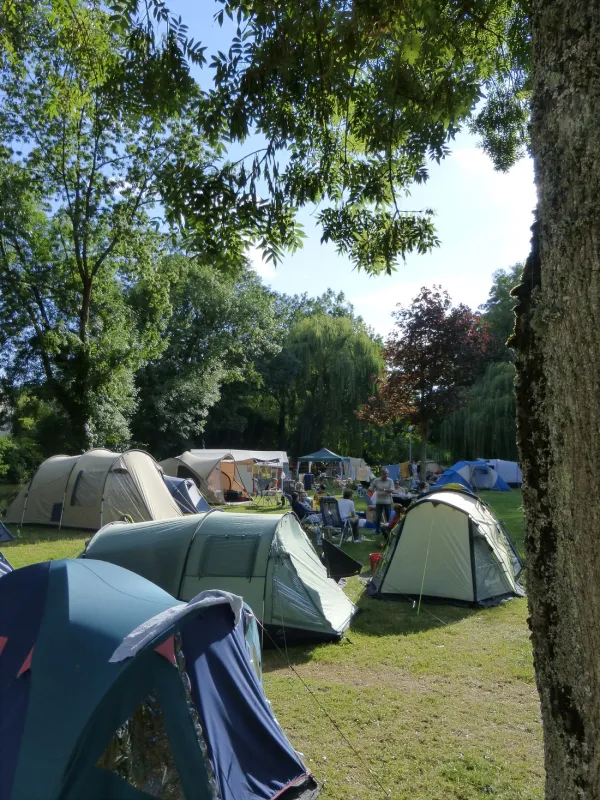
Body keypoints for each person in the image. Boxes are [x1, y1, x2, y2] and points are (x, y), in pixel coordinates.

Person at [369, 467, 394, 536]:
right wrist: (370, 489)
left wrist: (384, 490)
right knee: (378, 516)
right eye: (384, 474)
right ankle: (377, 530)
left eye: (387, 474)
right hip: (379, 501)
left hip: (387, 501)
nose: (386, 475)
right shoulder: (376, 480)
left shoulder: (390, 480)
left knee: (388, 516)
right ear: (381, 474)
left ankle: (388, 529)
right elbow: (371, 488)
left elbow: (392, 490)